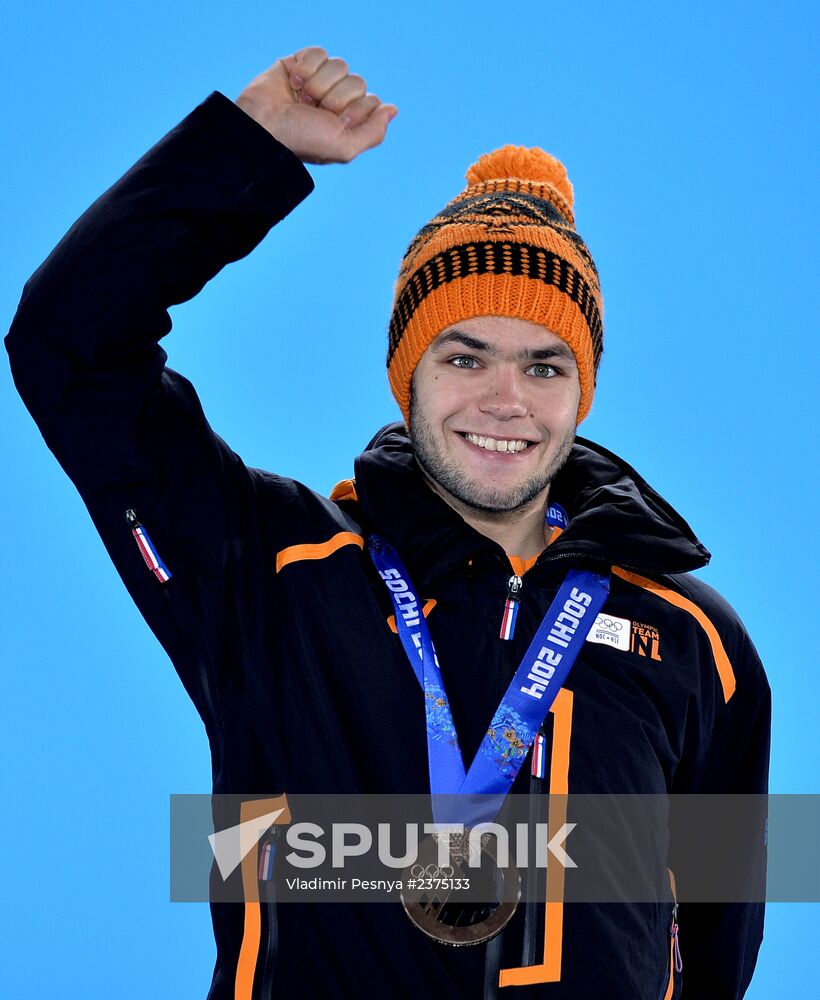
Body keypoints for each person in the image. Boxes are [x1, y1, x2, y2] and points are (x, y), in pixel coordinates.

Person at [6, 46, 770, 999]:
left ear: (583, 393)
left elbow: (716, 952)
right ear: (406, 373)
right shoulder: (276, 568)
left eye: (544, 366)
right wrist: (244, 153)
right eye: (465, 357)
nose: (505, 401)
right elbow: (69, 344)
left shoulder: (699, 643)